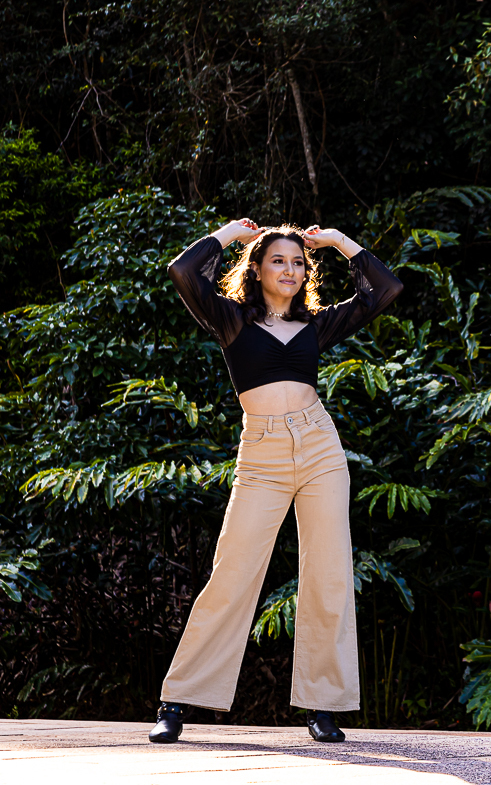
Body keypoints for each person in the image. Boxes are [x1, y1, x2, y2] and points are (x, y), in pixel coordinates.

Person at [149, 218, 403, 744]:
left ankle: (323, 706)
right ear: (258, 268)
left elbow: (387, 288)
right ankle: (177, 701)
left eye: (297, 262)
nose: (289, 269)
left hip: (319, 447)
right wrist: (225, 235)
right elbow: (183, 271)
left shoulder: (317, 325)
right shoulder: (231, 319)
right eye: (278, 260)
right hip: (262, 453)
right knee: (233, 571)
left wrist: (337, 243)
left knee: (329, 573)